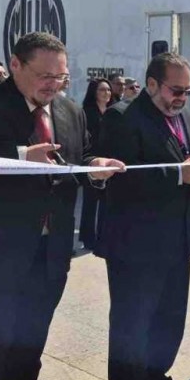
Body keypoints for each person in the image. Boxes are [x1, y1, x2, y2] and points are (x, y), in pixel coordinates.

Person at [0, 32, 122, 380]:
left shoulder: (69, 111)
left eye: (61, 77)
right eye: (45, 76)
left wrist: (95, 165)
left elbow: (79, 156)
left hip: (48, 254)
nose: (53, 85)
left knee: (27, 352)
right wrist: (22, 155)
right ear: (15, 65)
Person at [96, 52, 190, 380]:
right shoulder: (123, 116)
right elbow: (122, 177)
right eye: (176, 90)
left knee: (169, 319)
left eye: (187, 91)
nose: (182, 98)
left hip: (178, 237)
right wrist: (177, 175)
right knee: (132, 323)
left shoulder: (185, 115)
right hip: (136, 243)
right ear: (152, 84)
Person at [78, 78, 113, 251]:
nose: (107, 93)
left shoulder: (114, 111)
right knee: (90, 202)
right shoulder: (86, 112)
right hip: (91, 161)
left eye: (108, 90)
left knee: (107, 202)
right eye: (102, 90)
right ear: (94, 92)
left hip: (109, 162)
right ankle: (87, 237)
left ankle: (103, 237)